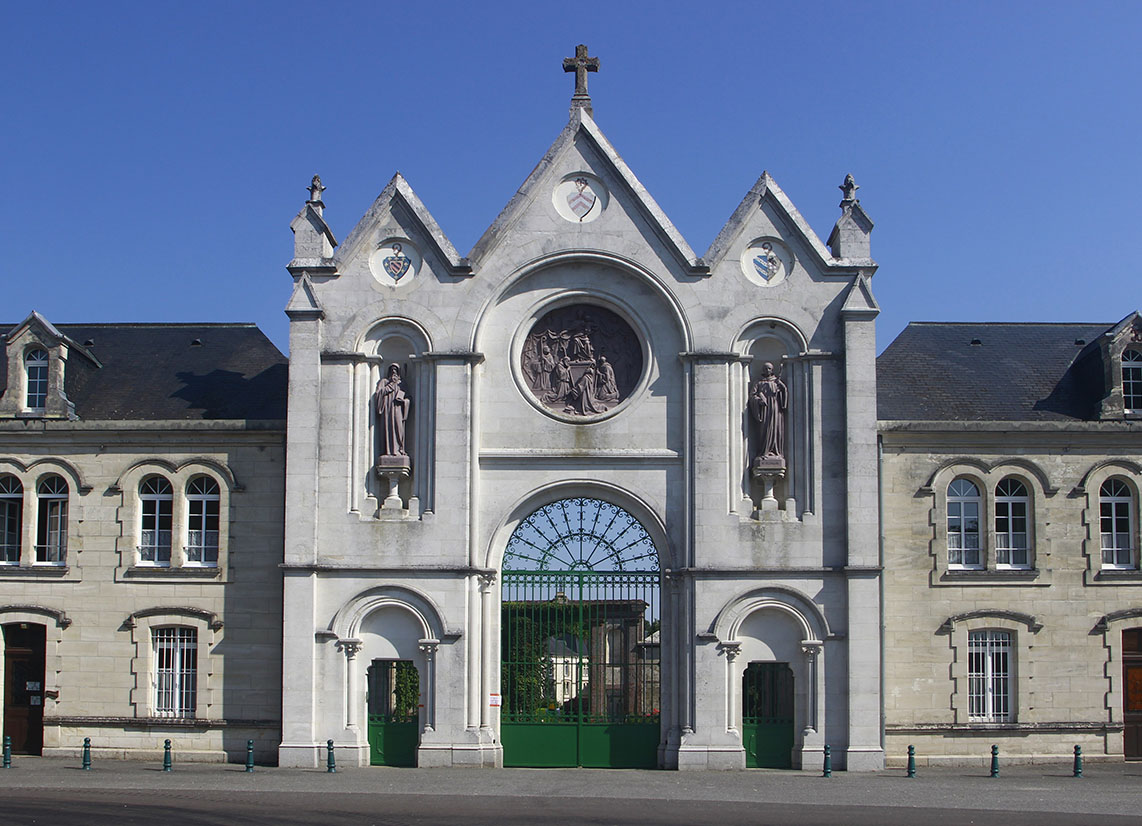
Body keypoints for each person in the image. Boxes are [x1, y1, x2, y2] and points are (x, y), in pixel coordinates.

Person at [749, 362, 787, 461]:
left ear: (772, 370)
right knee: (764, 431)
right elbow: (752, 396)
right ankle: (763, 452)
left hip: (775, 410)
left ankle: (775, 451)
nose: (767, 370)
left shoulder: (776, 382)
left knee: (775, 429)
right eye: (765, 368)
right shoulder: (758, 382)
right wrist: (759, 400)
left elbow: (784, 393)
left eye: (769, 368)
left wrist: (781, 388)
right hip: (764, 411)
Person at [376, 364, 411, 457]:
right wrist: (389, 387)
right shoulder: (384, 382)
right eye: (392, 369)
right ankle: (388, 452)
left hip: (398, 410)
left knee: (398, 429)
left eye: (395, 370)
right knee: (388, 429)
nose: (394, 372)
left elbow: (408, 397)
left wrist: (404, 401)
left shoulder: (402, 383)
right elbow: (378, 394)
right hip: (387, 411)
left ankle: (399, 449)